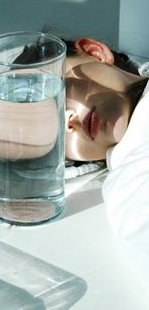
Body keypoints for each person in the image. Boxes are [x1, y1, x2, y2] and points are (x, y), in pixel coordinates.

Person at [64, 37, 149, 288]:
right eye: (53, 136)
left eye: (56, 92)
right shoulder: (130, 181)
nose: (67, 120)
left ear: (95, 52)